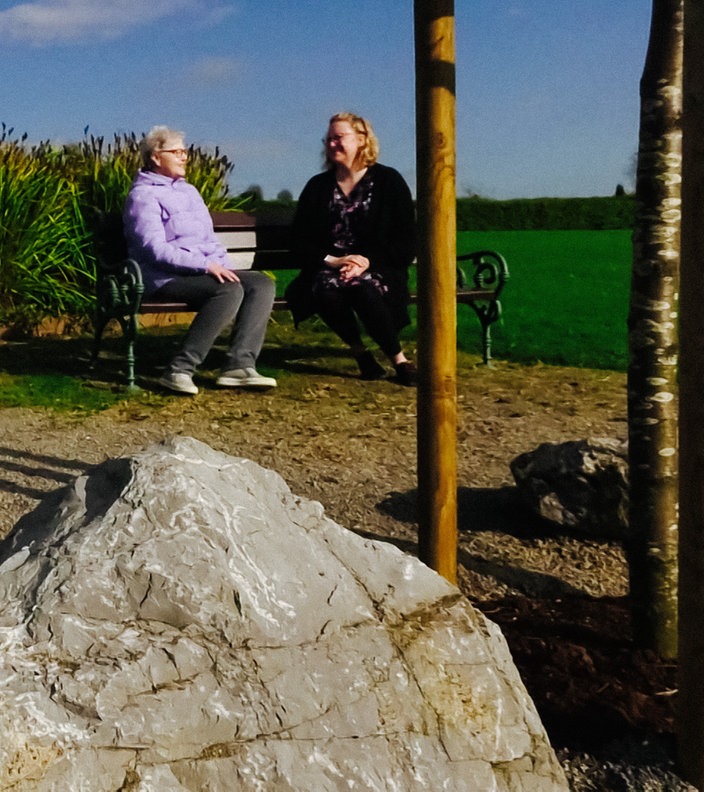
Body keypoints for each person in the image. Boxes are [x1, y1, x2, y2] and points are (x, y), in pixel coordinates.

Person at [123, 125, 276, 395]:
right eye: (176, 151)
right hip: (164, 277)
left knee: (260, 284)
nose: (184, 157)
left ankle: (238, 366)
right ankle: (179, 370)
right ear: (156, 157)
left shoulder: (190, 192)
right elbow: (154, 249)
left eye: (185, 151)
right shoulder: (143, 196)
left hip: (202, 272)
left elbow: (208, 241)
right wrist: (205, 266)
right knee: (228, 290)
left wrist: (222, 266)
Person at [287, 112, 417, 385]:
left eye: (339, 138)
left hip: (378, 266)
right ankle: (361, 354)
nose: (332, 144)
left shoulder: (389, 181)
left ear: (361, 140)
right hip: (329, 267)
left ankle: (399, 361)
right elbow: (299, 239)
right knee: (325, 288)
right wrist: (334, 260)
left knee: (360, 286)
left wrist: (365, 261)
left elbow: (405, 238)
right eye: (329, 139)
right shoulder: (317, 187)